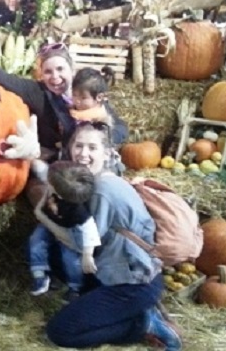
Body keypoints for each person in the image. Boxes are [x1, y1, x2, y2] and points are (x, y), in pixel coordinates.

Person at [0, 42, 128, 205]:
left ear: (71, 68)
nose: (55, 77)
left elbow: (121, 127)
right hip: (57, 165)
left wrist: (103, 137)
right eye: (48, 71)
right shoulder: (36, 92)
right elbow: (4, 78)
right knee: (46, 193)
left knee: (103, 191)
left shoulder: (86, 94)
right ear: (41, 74)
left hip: (91, 160)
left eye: (60, 69)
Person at [44, 121, 182, 350]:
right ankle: (119, 309)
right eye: (78, 146)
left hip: (134, 284)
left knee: (61, 332)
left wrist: (44, 217)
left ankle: (143, 324)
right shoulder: (97, 180)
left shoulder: (101, 191)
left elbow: (81, 243)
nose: (83, 154)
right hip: (121, 272)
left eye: (92, 148)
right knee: (55, 255)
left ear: (107, 153)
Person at [29, 161, 100, 302]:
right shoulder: (56, 183)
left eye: (50, 183)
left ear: (59, 195)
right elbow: (45, 172)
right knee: (36, 241)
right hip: (50, 223)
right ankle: (40, 275)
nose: (47, 182)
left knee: (71, 260)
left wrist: (87, 254)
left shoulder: (78, 210)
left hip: (69, 231)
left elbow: (89, 230)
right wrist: (32, 160)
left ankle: (75, 288)